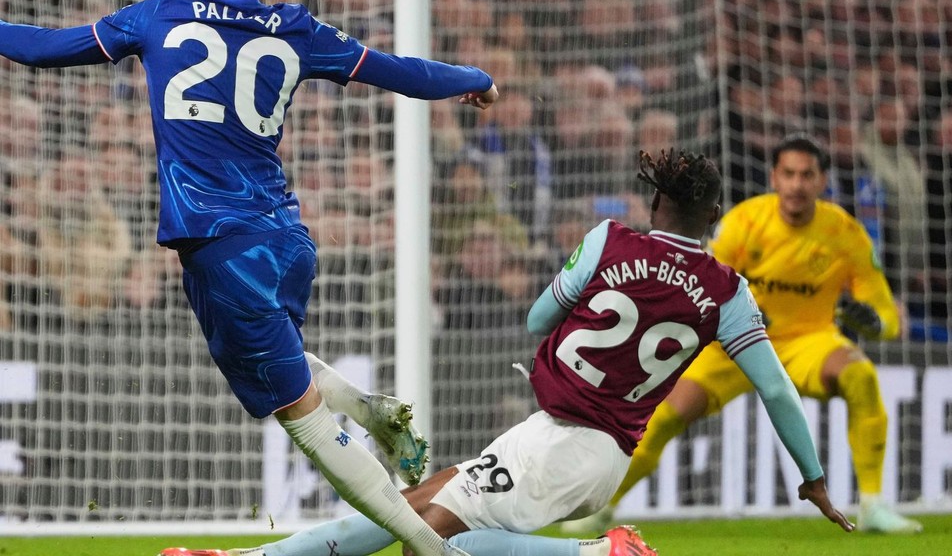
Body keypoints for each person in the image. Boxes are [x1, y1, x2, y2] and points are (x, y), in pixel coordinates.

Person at [0, 0, 499, 556]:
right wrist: (476, 79)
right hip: (287, 237)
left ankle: (438, 551)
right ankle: (375, 410)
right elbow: (396, 71)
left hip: (221, 244)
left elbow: (43, 48)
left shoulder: (161, 13)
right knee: (286, 364)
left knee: (303, 421)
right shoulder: (295, 27)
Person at [159, 150, 851, 556]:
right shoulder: (727, 291)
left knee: (433, 542)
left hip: (570, 443)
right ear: (715, 215)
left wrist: (576, 289)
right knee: (407, 506)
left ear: (658, 199)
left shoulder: (611, 240)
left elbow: (538, 315)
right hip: (585, 443)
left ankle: (597, 554)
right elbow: (777, 390)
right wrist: (814, 477)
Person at [568, 134, 921, 535]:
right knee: (664, 417)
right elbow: (700, 282)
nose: (797, 184)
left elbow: (887, 313)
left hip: (808, 340)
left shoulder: (846, 233)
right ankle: (603, 508)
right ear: (774, 176)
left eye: (807, 175)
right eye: (788, 174)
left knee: (860, 376)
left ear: (822, 181)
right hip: (733, 343)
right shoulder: (745, 221)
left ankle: (873, 504)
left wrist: (873, 323)